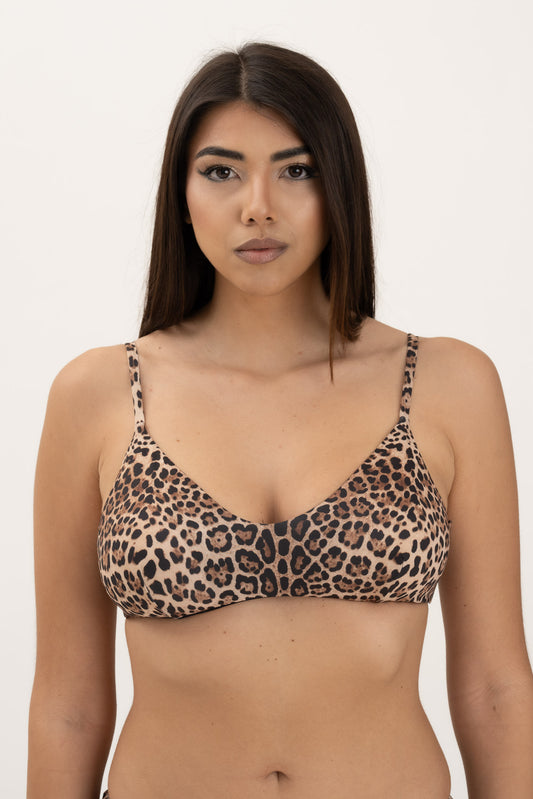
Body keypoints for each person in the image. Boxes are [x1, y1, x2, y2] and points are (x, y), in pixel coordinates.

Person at [27, 41, 533, 799]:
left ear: (339, 186)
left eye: (296, 170)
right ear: (181, 194)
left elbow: (495, 687)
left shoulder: (447, 384)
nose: (257, 205)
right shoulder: (97, 394)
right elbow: (67, 706)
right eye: (221, 171)